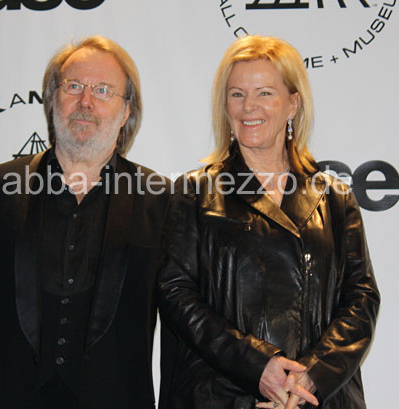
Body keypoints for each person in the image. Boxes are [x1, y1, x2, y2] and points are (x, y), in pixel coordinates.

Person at [0, 36, 171, 409]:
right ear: (52, 99)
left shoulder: (162, 201)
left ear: (126, 111)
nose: (85, 101)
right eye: (73, 86)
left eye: (103, 90)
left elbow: (179, 333)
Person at [158, 35, 380, 409]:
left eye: (264, 93)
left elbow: (361, 299)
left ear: (293, 103)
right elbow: (176, 295)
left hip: (316, 399)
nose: (249, 107)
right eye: (237, 94)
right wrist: (257, 366)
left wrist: (309, 376)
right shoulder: (194, 193)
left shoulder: (335, 198)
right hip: (222, 398)